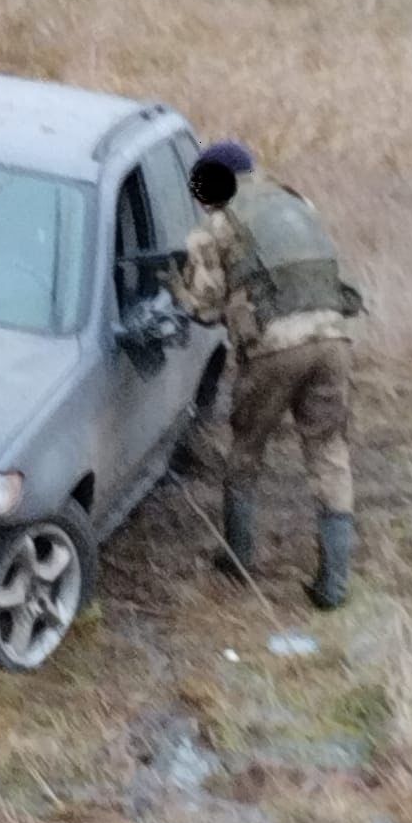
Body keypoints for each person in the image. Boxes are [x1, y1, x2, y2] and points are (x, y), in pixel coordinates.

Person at [170, 140, 363, 609]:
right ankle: (334, 585)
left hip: (275, 349)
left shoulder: (215, 227)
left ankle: (237, 558)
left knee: (246, 448)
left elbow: (205, 306)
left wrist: (175, 284)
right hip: (334, 340)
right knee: (329, 453)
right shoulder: (297, 203)